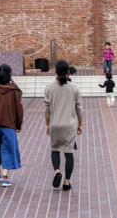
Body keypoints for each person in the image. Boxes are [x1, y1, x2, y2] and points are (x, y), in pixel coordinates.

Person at [43, 60, 82, 191]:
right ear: (68, 72)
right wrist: (80, 125)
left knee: (55, 149)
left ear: (55, 72)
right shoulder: (74, 88)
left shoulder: (49, 87)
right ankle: (66, 182)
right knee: (69, 153)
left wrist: (47, 125)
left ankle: (57, 172)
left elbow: (47, 109)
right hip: (69, 125)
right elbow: (78, 109)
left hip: (55, 124)